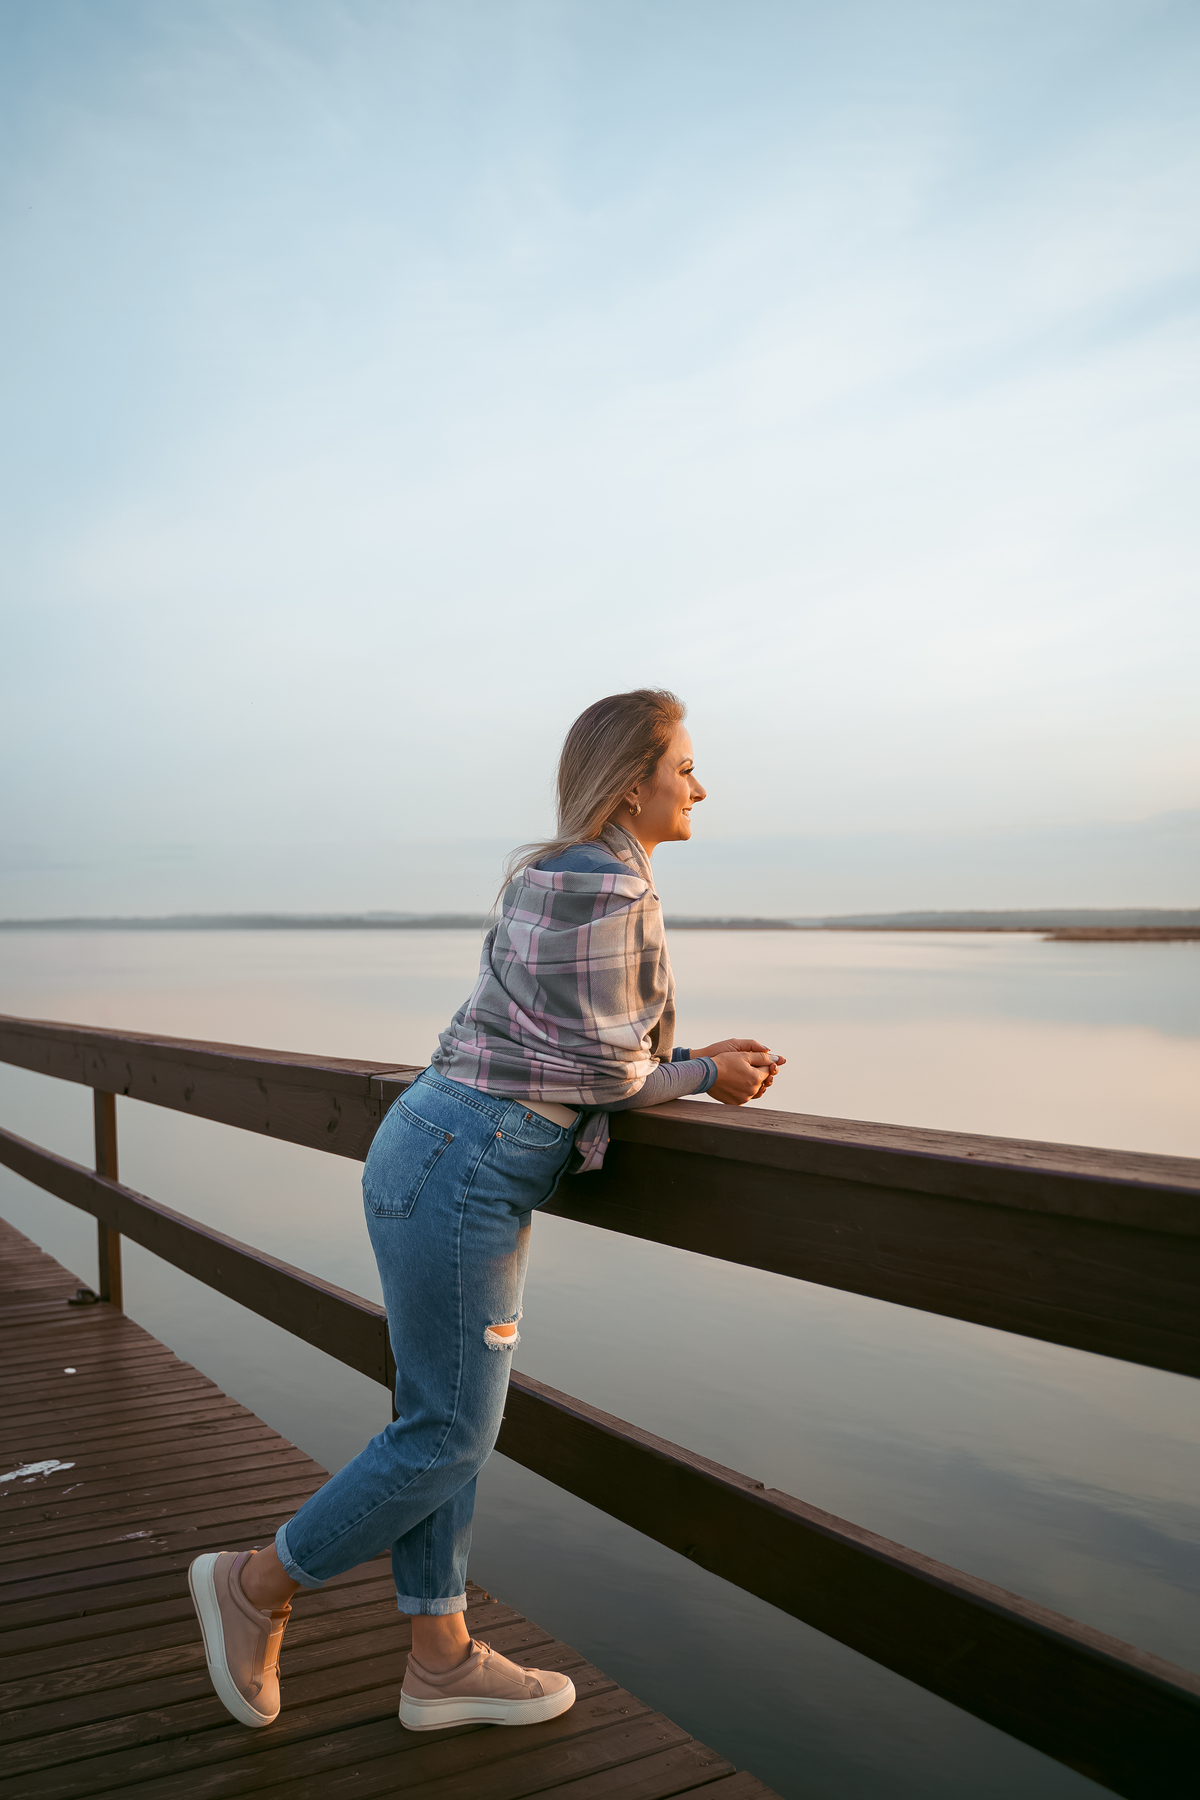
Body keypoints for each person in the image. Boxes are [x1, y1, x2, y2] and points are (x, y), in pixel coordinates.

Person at [188, 687, 785, 1734]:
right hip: (469, 1165)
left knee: (436, 1421)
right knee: (451, 1435)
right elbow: (606, 1073)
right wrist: (705, 1073)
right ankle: (254, 1585)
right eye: (684, 764)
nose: (699, 782)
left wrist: (680, 1063)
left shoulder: (550, 876)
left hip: (438, 1145)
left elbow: (554, 1046)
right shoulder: (611, 891)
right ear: (634, 777)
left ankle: (441, 1659)